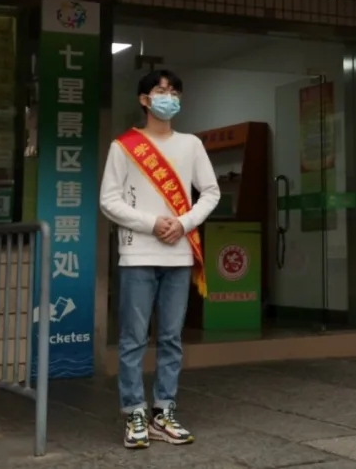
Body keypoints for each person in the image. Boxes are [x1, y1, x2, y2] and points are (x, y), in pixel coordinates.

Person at [99, 69, 220, 449]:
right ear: (144, 99)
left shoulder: (191, 145)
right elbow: (109, 200)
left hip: (179, 255)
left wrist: (183, 223)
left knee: (171, 338)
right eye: (161, 90)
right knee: (133, 339)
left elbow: (211, 192)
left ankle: (164, 411)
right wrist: (152, 223)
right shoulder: (124, 147)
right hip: (137, 254)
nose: (169, 97)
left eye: (174, 92)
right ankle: (134, 412)